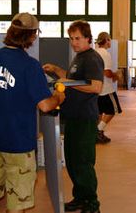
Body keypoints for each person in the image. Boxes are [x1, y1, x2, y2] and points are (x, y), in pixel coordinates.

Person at [0, 12, 65, 213]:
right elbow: (44, 105)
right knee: (18, 200)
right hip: (18, 143)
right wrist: (59, 97)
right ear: (31, 36)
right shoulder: (30, 65)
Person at [42, 20, 104, 213]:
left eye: (78, 38)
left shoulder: (91, 58)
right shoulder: (79, 57)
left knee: (83, 162)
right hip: (73, 117)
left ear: (88, 38)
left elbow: (96, 86)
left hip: (85, 119)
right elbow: (73, 79)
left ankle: (92, 203)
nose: (74, 42)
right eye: (71, 38)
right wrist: (56, 70)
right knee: (73, 161)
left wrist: (67, 81)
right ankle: (80, 198)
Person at [94, 32, 122, 144]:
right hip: (106, 89)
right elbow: (107, 72)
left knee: (100, 112)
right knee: (113, 110)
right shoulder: (105, 53)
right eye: (109, 39)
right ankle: (98, 130)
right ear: (106, 40)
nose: (110, 42)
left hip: (97, 88)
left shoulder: (95, 52)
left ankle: (97, 134)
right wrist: (116, 75)